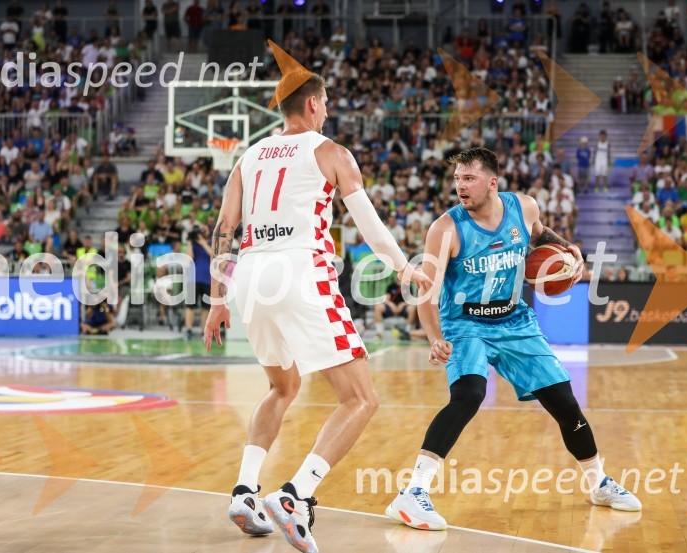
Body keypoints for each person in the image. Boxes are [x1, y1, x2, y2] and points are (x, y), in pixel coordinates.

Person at [203, 73, 431, 552]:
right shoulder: (331, 152)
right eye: (325, 102)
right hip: (300, 271)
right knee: (361, 399)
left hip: (250, 277)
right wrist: (403, 266)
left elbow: (224, 228)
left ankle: (244, 491)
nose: (327, 110)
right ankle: (296, 494)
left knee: (281, 387)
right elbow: (367, 221)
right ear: (311, 104)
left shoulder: (249, 155)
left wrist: (218, 300)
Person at [385, 148, 641, 531]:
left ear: (492, 182)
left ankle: (598, 483)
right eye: (457, 179)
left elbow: (541, 234)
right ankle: (413, 491)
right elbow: (426, 292)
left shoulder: (524, 207)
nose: (460, 186)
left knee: (565, 402)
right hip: (465, 323)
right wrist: (434, 337)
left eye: (469, 178)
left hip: (514, 319)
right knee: (468, 395)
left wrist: (567, 248)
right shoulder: (445, 229)